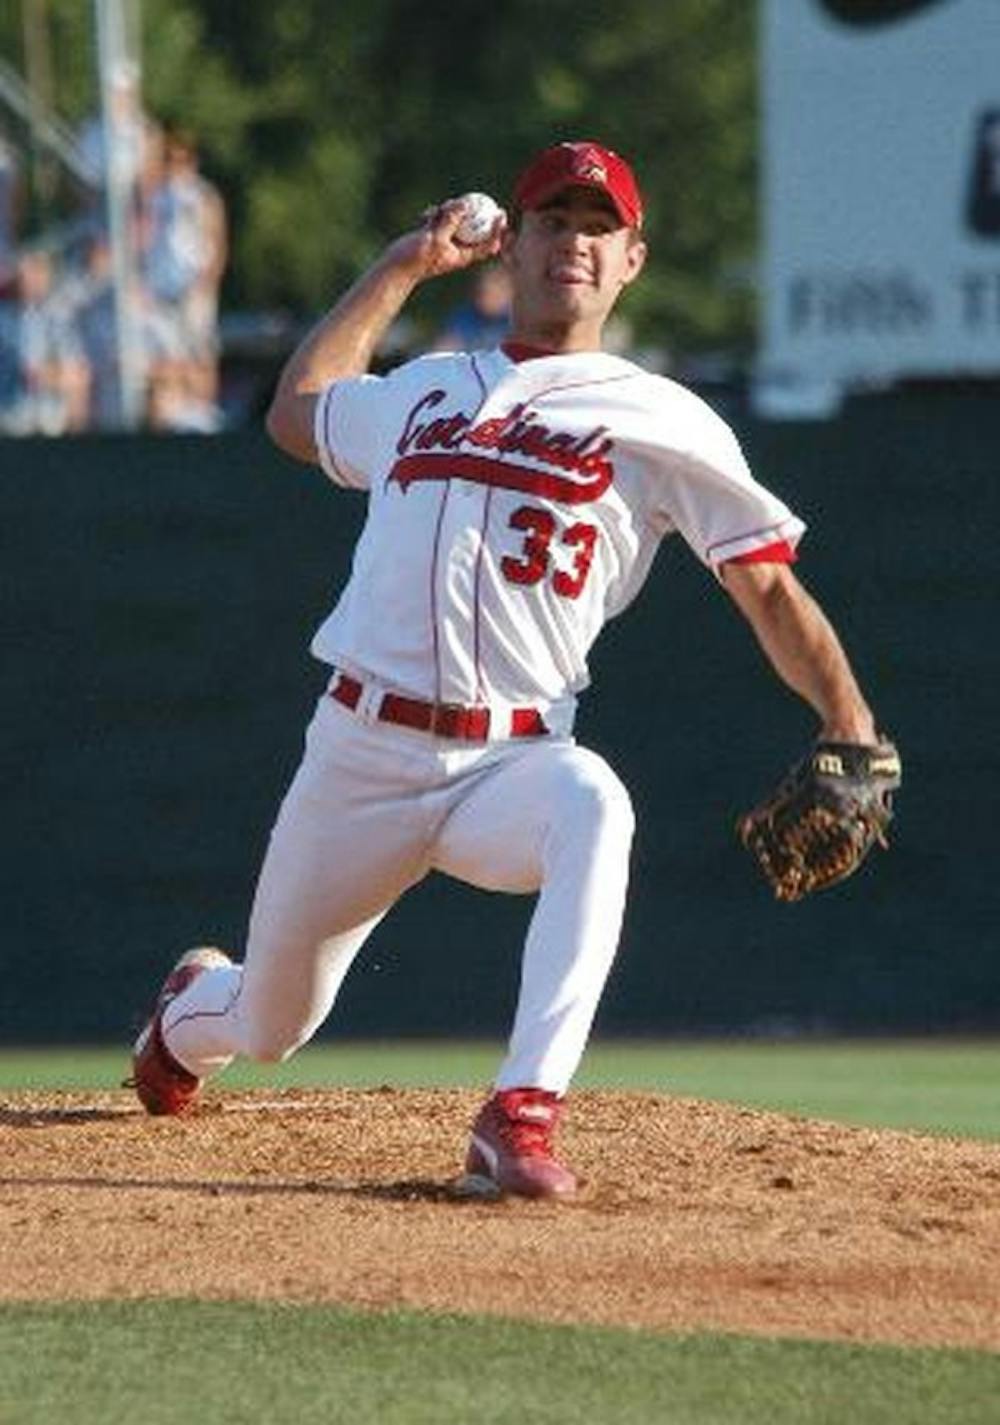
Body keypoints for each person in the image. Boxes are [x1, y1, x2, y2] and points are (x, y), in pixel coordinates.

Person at [129, 140, 883, 1199]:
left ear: (631, 261)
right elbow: (297, 412)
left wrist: (850, 721)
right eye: (553, 221)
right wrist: (402, 265)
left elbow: (765, 586)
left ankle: (522, 1111)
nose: (574, 241)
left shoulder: (663, 419)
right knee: (270, 1025)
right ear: (514, 246)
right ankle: (184, 1017)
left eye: (598, 227)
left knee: (595, 804)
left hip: (510, 764)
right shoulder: (428, 388)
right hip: (360, 753)